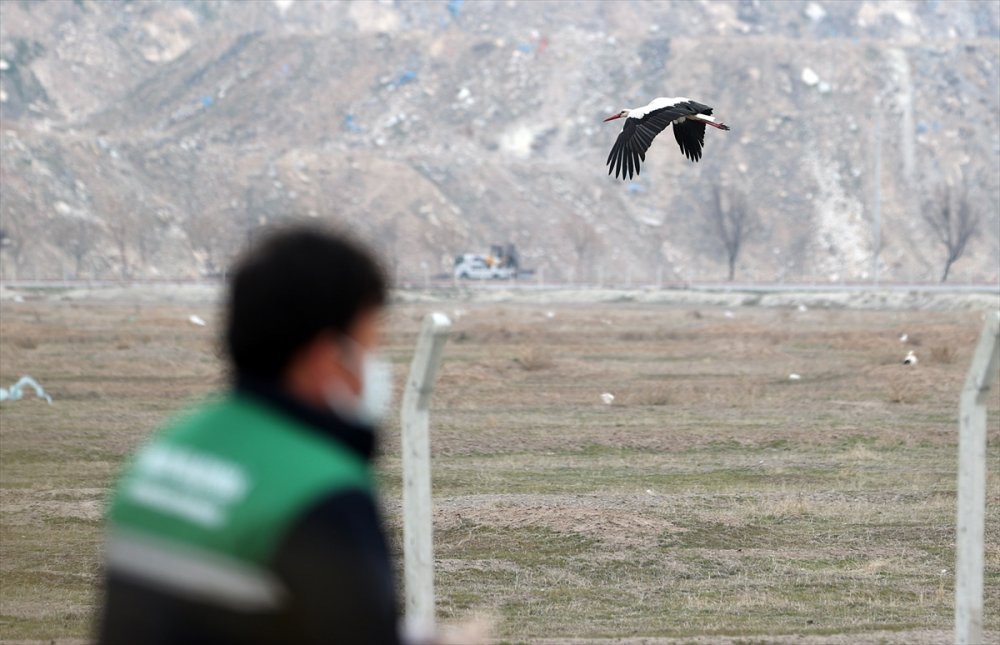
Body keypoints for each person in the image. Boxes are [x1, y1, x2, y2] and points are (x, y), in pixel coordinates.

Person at [96, 225, 401, 644]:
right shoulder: (322, 497)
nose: (373, 366)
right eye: (370, 345)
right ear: (326, 356)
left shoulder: (162, 453)